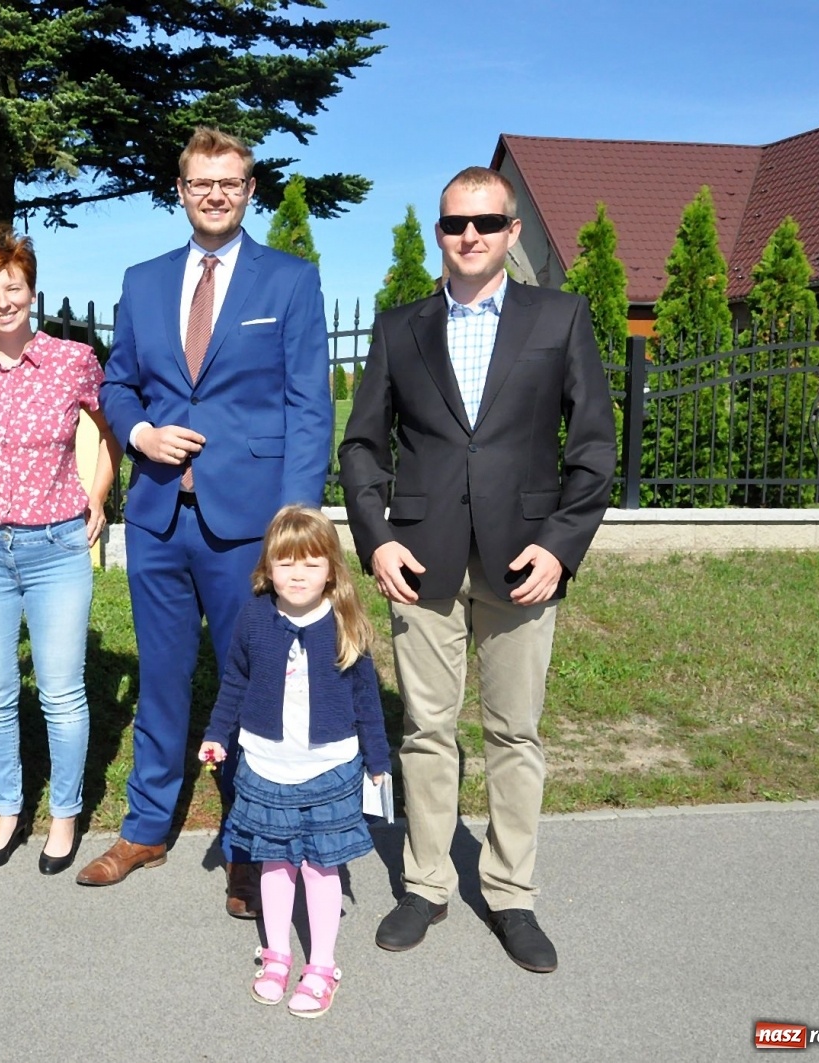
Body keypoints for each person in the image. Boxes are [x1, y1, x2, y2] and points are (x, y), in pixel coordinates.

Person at [338, 166, 616, 973]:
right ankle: (424, 883)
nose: (470, 236)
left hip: (524, 559)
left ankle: (510, 893)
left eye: (487, 223)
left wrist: (561, 544)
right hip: (418, 560)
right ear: (440, 231)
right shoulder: (400, 328)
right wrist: (378, 537)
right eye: (456, 223)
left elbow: (593, 446)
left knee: (513, 731)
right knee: (426, 729)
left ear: (512, 232)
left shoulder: (559, 319)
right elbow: (361, 444)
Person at [82, 127, 333, 919]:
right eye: (201, 182)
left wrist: (292, 520)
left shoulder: (289, 281)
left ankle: (248, 844)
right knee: (161, 680)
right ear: (180, 190)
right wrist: (140, 433)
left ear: (249, 189)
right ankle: (148, 826)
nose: (216, 193)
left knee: (248, 685)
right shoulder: (143, 279)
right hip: (158, 514)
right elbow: (118, 382)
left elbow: (307, 403)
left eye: (230, 181)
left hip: (248, 522)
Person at [0, 226, 121, 876]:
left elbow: (110, 432)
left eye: (11, 286)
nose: (1, 299)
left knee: (61, 691)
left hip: (56, 548)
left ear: (31, 289)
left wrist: (99, 495)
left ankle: (66, 811)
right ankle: (8, 807)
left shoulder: (74, 360)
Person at [198, 505, 391, 1019]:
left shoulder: (345, 621)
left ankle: (322, 965)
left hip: (330, 767)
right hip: (266, 765)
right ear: (268, 568)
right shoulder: (255, 617)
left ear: (331, 569)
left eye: (310, 563)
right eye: (286, 564)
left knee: (322, 868)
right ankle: (278, 954)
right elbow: (234, 683)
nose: (298, 574)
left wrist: (378, 760)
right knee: (275, 863)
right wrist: (218, 734)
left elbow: (367, 700)